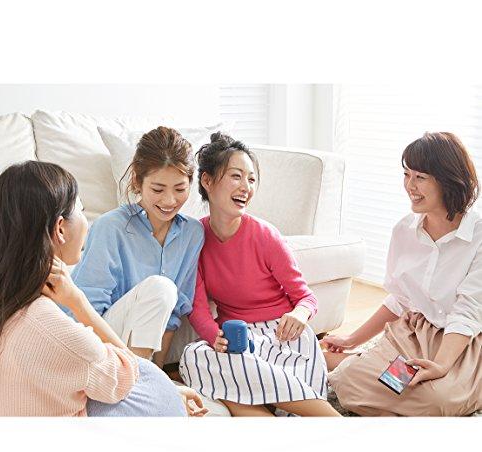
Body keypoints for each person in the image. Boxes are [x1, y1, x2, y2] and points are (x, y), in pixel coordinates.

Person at [0, 161, 205, 417]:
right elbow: (132, 376)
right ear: (60, 228)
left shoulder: (0, 303)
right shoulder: (58, 333)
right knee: (165, 404)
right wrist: (78, 302)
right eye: (82, 210)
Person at [179, 132, 340, 417]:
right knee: (191, 357)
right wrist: (214, 337)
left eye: (251, 179)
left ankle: (328, 417)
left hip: (282, 337)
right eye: (236, 176)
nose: (246, 187)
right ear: (207, 181)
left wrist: (299, 315)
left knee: (233, 383)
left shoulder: (265, 235)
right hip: (239, 342)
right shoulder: (195, 238)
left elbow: (305, 298)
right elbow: (198, 308)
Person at [325, 132, 482, 416]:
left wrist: (441, 365)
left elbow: (469, 311)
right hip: (415, 334)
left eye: (420, 177)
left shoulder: (478, 234)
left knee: (439, 399)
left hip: (464, 340)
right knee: (347, 382)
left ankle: (374, 370)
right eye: (406, 174)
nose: (410, 185)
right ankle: (362, 362)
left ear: (448, 180)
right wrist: (351, 339)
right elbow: (400, 299)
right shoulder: (404, 231)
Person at [71, 126, 204, 367]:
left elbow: (172, 315)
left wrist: (158, 373)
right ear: (137, 182)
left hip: (138, 359)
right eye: (157, 189)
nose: (169, 200)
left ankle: (146, 380)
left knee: (165, 292)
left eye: (180, 189)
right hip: (94, 343)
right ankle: (137, 381)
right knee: (161, 287)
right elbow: (85, 314)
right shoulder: (110, 227)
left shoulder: (192, 234)